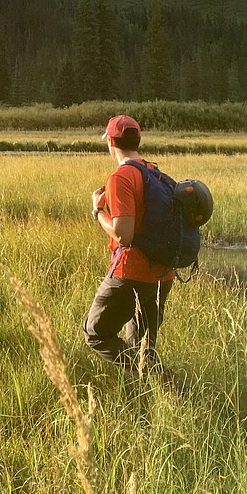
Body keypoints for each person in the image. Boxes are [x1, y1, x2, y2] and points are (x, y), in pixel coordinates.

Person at [83, 115, 175, 370]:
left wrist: (98, 212)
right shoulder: (154, 173)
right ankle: (152, 393)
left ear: (111, 141)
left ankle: (165, 380)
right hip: (162, 273)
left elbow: (124, 234)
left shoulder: (121, 177)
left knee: (96, 333)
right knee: (143, 346)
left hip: (130, 273)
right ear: (138, 140)